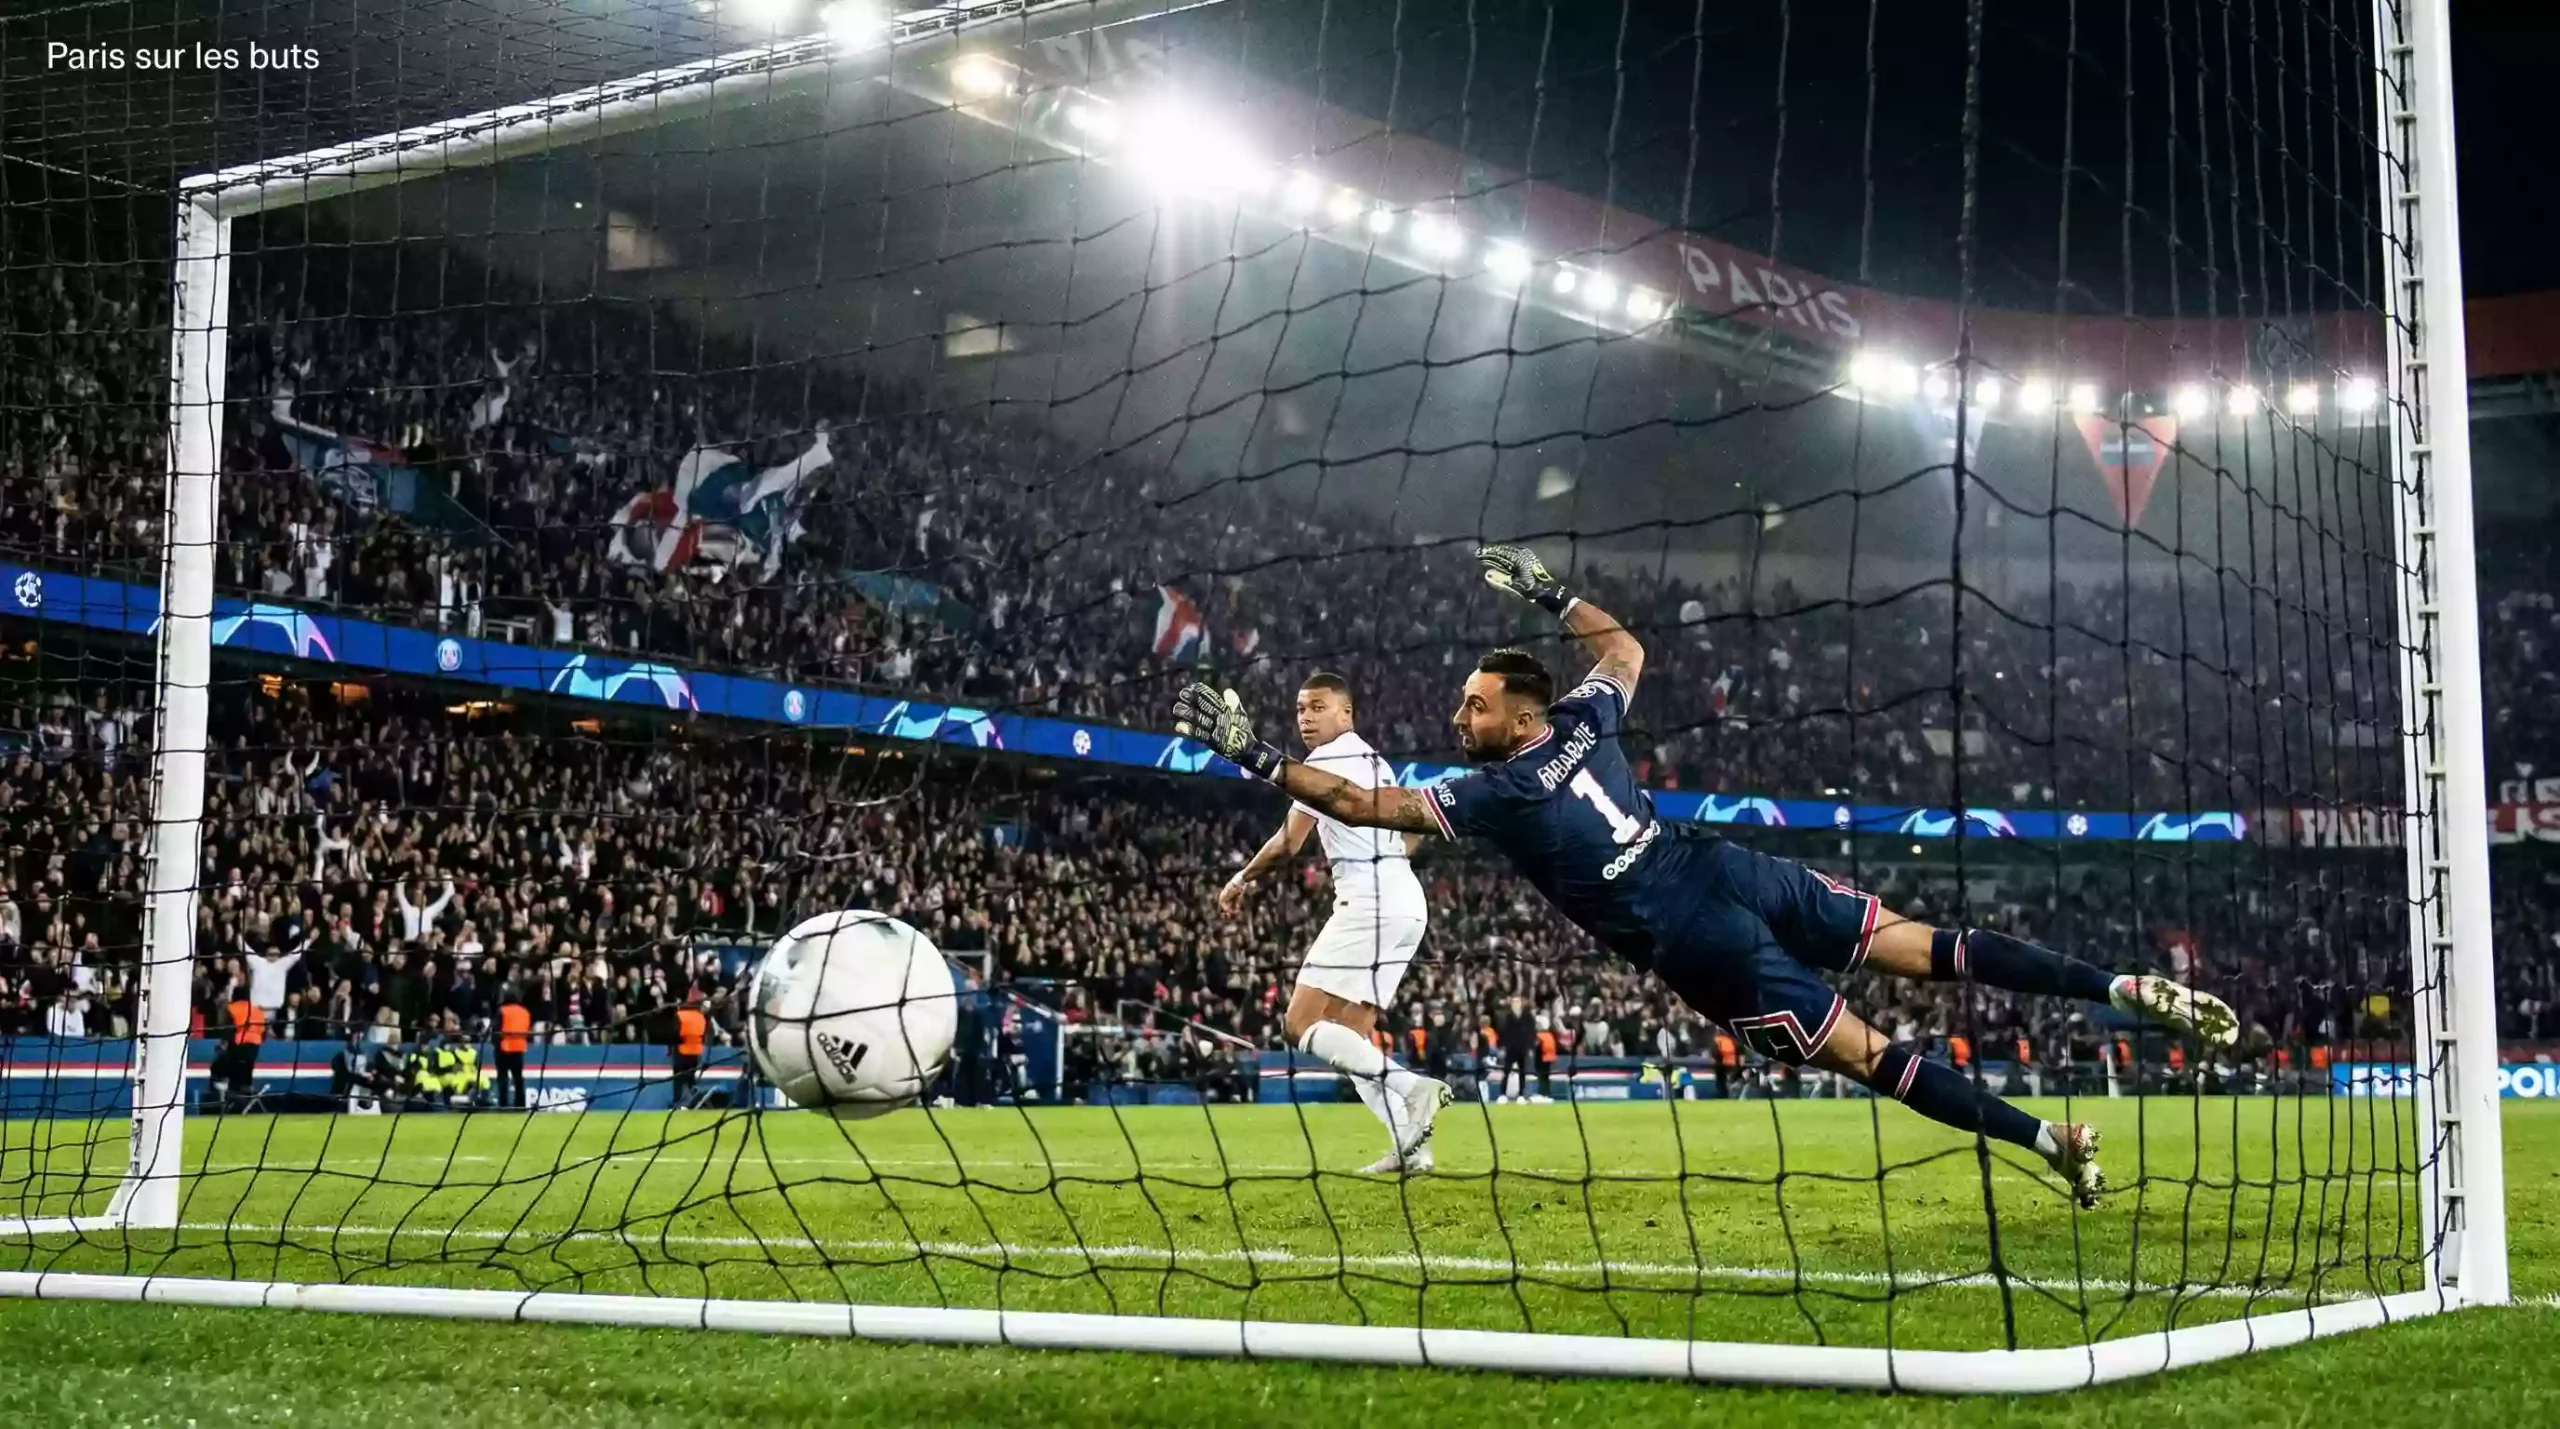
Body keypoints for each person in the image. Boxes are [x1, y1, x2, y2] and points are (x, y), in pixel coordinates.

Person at [1173, 544, 2239, 1204]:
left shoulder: (1494, 792)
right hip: (1729, 868)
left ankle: (2052, 1138)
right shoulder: (1583, 720)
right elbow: (1626, 651)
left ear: (1519, 716)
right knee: (1928, 946)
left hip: (1701, 942)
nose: (1460, 716)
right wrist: (1552, 591)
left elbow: (1363, 803)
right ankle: (2118, 984)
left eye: (1475, 705)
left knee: (1873, 1054)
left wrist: (1253, 753)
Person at [1219, 670, 1449, 1172]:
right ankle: (1412, 1148)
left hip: (1369, 902)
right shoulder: (1376, 761)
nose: (1305, 718)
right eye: (1301, 709)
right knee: (1351, 1037)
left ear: (1346, 712)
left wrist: (1241, 878)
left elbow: (1288, 843)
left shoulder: (1323, 763)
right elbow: (1415, 829)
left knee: (1299, 1023)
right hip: (1407, 902)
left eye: (1317, 707)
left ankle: (1414, 1088)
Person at [494, 986, 531, 1109]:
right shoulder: (525, 1012)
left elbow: (496, 1029)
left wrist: (495, 1043)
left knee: (503, 1077)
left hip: (504, 1047)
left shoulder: (502, 1011)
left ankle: (503, 1104)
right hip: (519, 1047)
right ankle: (520, 1104)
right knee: (518, 1078)